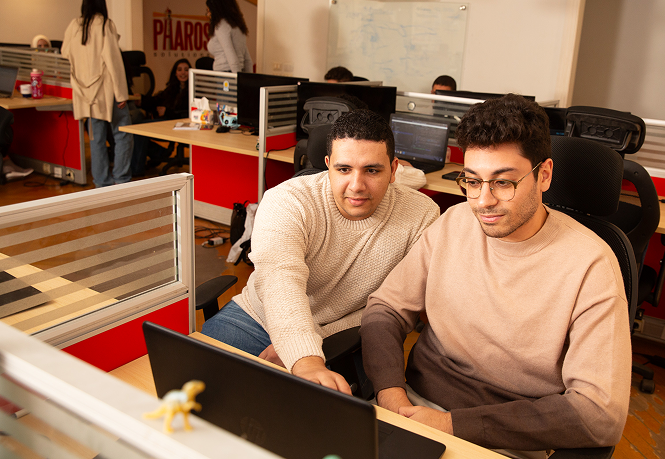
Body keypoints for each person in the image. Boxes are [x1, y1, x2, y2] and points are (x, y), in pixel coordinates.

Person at [360, 95, 631, 456]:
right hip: (413, 407)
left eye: (503, 182)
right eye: (472, 181)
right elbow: (386, 308)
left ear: (544, 175)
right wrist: (390, 393)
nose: (483, 201)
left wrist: (450, 425)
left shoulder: (590, 264)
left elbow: (600, 414)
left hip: (506, 439)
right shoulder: (454, 222)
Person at [201, 109, 440, 393]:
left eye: (372, 170)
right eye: (343, 169)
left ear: (394, 169)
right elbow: (280, 281)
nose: (356, 186)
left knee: (320, 414)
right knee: (200, 387)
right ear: (328, 165)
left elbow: (401, 303)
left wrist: (304, 347)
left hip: (347, 332)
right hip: (258, 318)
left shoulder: (422, 214)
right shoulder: (287, 200)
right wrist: (303, 354)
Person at [62, 0, 131, 188]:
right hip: (106, 91)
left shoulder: (74, 25)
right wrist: (121, 94)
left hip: (84, 93)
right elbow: (113, 61)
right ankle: (121, 178)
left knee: (96, 138)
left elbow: (65, 52)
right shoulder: (105, 25)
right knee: (123, 133)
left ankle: (102, 182)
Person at [130, 58, 191, 176]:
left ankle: (137, 170)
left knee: (139, 130)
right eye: (179, 70)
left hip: (180, 125)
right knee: (137, 128)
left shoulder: (193, 90)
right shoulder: (172, 88)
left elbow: (187, 113)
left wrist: (167, 111)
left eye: (186, 70)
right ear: (175, 73)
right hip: (167, 122)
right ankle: (159, 153)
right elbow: (156, 101)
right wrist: (142, 100)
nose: (183, 73)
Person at [206, 0, 253, 73]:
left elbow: (230, 54)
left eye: (209, 11)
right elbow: (247, 60)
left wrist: (236, 77)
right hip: (234, 72)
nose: (208, 14)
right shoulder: (237, 26)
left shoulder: (221, 26)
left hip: (226, 73)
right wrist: (246, 78)